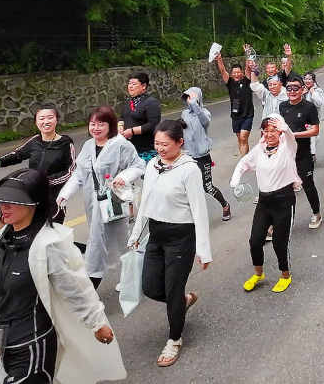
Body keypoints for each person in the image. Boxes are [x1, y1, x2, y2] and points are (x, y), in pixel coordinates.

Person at [0, 169, 126, 384]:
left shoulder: (49, 244)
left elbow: (75, 288)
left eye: (12, 201)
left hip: (31, 342)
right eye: (1, 200)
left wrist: (97, 323)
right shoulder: (1, 239)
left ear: (34, 203)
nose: (3, 207)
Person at [127, 120, 211, 367]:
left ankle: (175, 339)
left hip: (181, 237)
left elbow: (199, 211)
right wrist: (135, 236)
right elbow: (146, 203)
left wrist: (203, 250)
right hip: (156, 235)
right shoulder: (153, 165)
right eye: (157, 143)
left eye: (165, 144)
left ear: (179, 143)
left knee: (172, 290)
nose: (160, 148)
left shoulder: (189, 170)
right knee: (151, 287)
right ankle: (183, 301)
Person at [57, 106, 145, 290]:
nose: (96, 128)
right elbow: (80, 174)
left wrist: (124, 177)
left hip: (113, 202)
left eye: (101, 124)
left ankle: (88, 291)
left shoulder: (120, 144)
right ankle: (134, 275)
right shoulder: (89, 146)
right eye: (92, 123)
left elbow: (138, 165)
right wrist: (65, 194)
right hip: (93, 204)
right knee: (119, 244)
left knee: (99, 244)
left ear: (110, 125)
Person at [230, 115, 302, 293]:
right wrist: (236, 178)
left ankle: (285, 275)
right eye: (266, 131)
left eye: (273, 130)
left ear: (280, 132)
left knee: (279, 242)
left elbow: (292, 139)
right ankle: (258, 273)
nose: (269, 134)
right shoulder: (260, 148)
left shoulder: (287, 147)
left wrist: (285, 128)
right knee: (255, 240)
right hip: (264, 201)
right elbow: (244, 162)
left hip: (284, 200)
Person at [0, 103, 76, 224]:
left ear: (56, 120)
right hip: (32, 195)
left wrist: (46, 181)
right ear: (36, 122)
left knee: (52, 234)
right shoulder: (35, 141)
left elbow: (71, 171)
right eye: (41, 118)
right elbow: (17, 155)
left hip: (54, 198)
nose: (46, 121)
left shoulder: (65, 143)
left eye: (50, 117)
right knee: (32, 231)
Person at [180, 87, 232, 222]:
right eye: (187, 98)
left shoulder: (204, 113)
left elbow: (205, 121)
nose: (188, 100)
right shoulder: (184, 114)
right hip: (189, 157)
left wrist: (194, 104)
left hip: (203, 157)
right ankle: (190, 217)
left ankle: (225, 205)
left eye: (191, 97)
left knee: (207, 186)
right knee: (187, 187)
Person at [279, 75, 322, 228]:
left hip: (303, 153)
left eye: (295, 88)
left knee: (308, 185)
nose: (292, 91)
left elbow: (315, 130)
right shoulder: (282, 106)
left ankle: (316, 213)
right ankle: (282, 220)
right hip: (285, 154)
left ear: (302, 90)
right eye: (289, 88)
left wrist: (295, 135)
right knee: (284, 188)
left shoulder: (309, 107)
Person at [215, 52, 254, 157]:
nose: (236, 74)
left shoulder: (247, 81)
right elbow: (222, 70)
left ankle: (244, 161)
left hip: (248, 114)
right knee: (240, 139)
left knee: (243, 138)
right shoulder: (230, 82)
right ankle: (245, 157)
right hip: (236, 116)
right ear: (232, 74)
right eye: (234, 73)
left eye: (238, 72)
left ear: (241, 73)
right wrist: (219, 59)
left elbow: (248, 69)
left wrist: (247, 56)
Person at [119, 72, 162, 162]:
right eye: (129, 83)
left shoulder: (151, 103)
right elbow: (122, 117)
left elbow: (153, 125)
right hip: (129, 149)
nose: (130, 86)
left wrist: (132, 131)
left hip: (146, 149)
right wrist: (120, 127)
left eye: (134, 84)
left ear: (143, 86)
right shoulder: (129, 102)